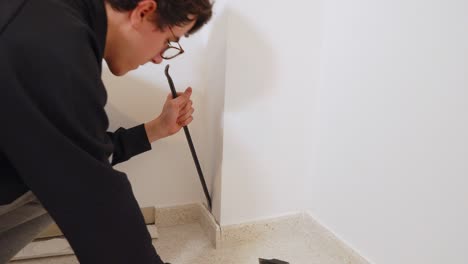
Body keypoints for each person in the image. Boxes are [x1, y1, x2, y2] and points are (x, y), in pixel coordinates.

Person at [0, 0, 212, 263]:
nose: (159, 58)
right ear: (144, 12)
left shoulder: (52, 17)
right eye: (168, 41)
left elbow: (74, 149)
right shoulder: (53, 44)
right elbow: (93, 195)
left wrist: (154, 130)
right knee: (64, 183)